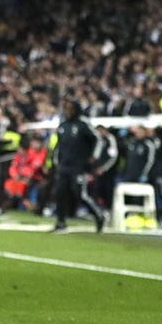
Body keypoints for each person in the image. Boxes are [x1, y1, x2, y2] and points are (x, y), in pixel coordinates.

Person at [50, 100, 107, 233]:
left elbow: (98, 138)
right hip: (64, 165)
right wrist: (56, 161)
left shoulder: (83, 124)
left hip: (79, 166)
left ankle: (99, 215)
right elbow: (59, 145)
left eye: (71, 109)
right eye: (66, 108)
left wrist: (94, 156)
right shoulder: (62, 125)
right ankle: (61, 222)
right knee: (60, 193)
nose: (68, 111)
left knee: (81, 194)